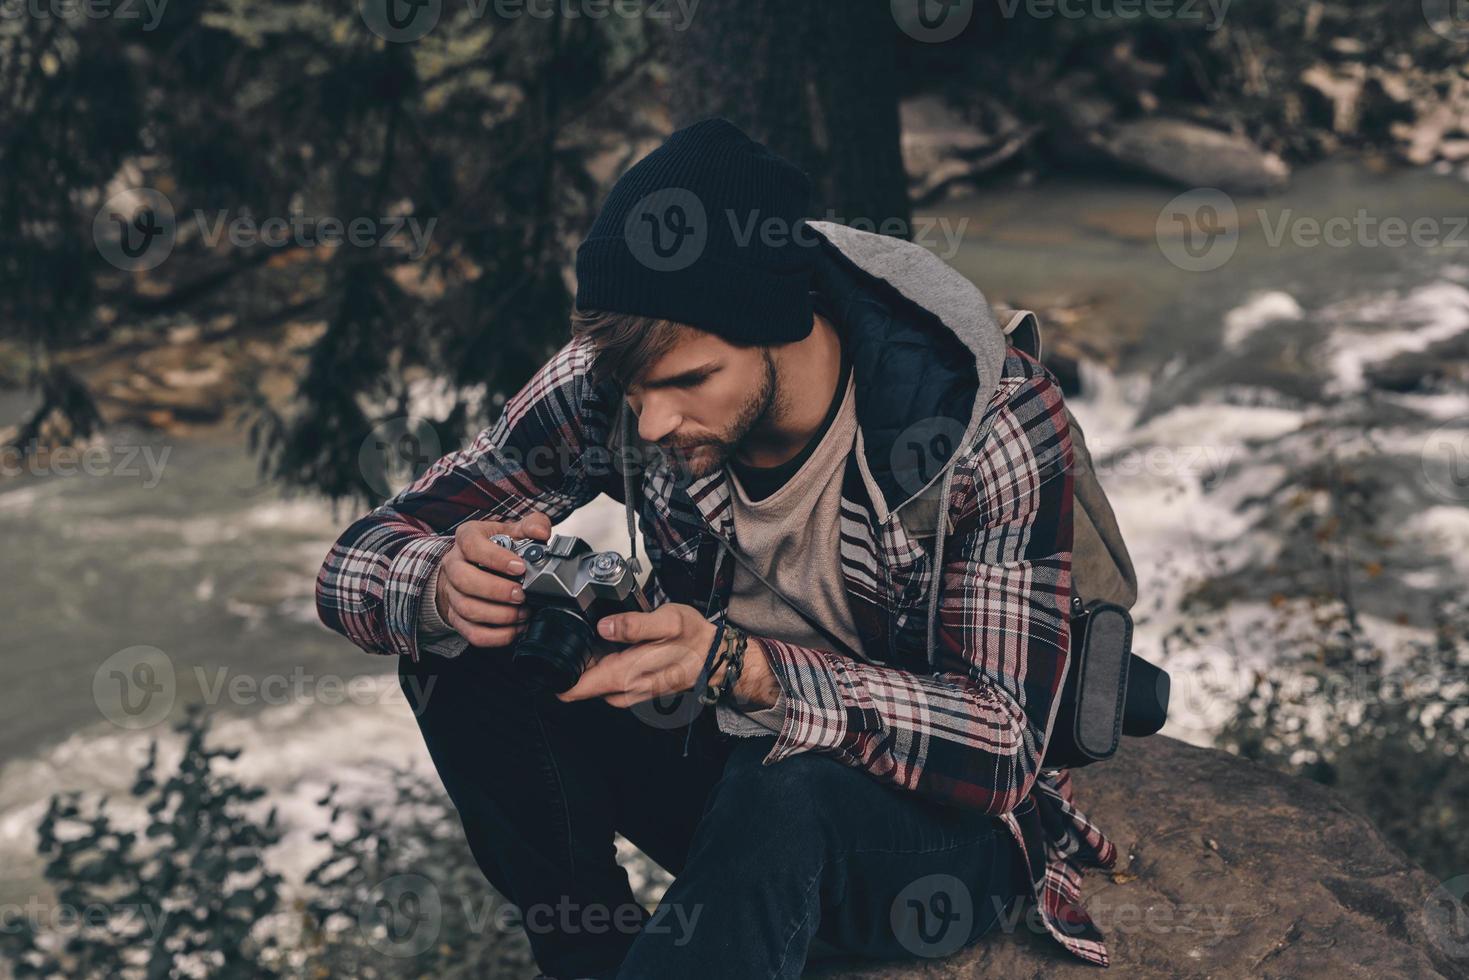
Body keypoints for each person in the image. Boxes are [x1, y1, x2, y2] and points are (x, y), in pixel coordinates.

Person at [315, 117, 1118, 979]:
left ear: (782, 322)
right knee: (466, 652)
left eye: (689, 383)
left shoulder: (985, 423)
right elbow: (354, 559)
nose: (652, 421)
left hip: (928, 830)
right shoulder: (622, 377)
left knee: (788, 786)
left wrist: (745, 667)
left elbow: (1000, 746)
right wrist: (437, 582)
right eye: (634, 388)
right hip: (722, 762)